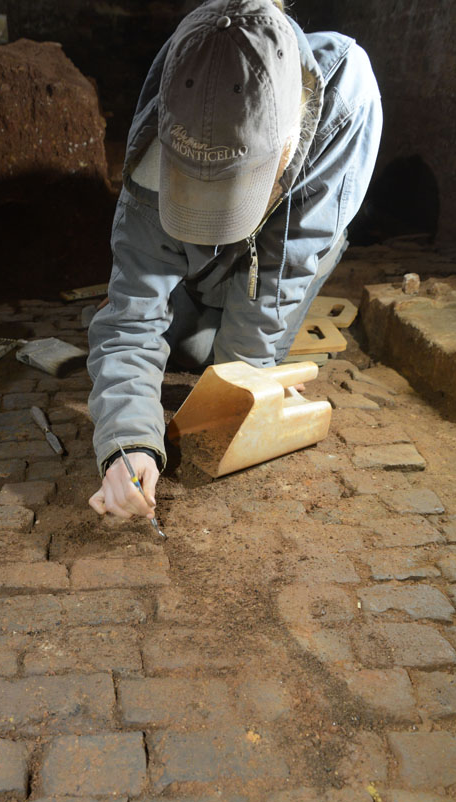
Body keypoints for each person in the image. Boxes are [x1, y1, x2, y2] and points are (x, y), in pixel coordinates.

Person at [87, 0, 382, 521]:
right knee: (180, 347)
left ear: (289, 143)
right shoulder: (184, 86)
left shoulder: (345, 102)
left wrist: (240, 389)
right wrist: (127, 443)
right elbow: (132, 314)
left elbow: (281, 273)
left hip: (270, 261)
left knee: (219, 362)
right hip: (202, 276)